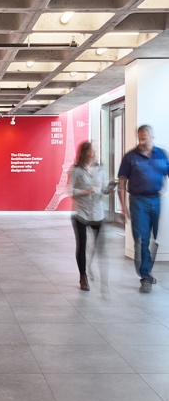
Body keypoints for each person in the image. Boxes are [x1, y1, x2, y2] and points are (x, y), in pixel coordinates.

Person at [117, 124, 169, 293]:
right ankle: (145, 276)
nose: (142, 141)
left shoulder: (161, 154)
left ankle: (147, 270)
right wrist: (123, 205)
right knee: (142, 239)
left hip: (156, 199)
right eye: (140, 138)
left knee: (154, 239)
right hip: (138, 201)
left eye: (145, 138)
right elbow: (122, 182)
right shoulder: (130, 157)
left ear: (152, 137)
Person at [70, 141, 110, 291]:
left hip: (97, 211)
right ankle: (83, 276)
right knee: (82, 245)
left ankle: (92, 268)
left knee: (99, 246)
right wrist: (85, 192)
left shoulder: (100, 169)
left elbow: (103, 188)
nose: (93, 154)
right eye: (90, 151)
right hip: (81, 212)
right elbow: (71, 191)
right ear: (85, 153)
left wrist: (107, 190)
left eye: (94, 151)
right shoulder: (76, 170)